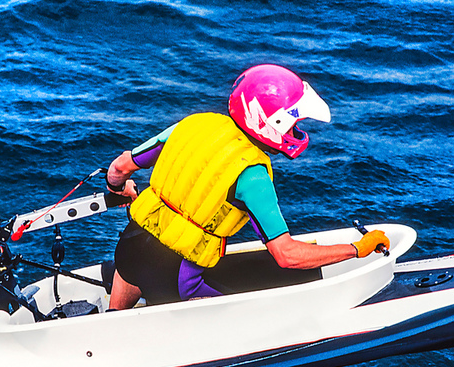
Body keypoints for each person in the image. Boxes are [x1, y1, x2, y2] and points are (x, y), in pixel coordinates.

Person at [105, 64, 390, 309]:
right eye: (292, 124)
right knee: (261, 314)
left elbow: (119, 168)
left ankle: (112, 320)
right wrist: (357, 249)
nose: (296, 132)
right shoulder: (252, 175)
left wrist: (120, 188)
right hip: (175, 278)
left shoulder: (192, 124)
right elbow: (286, 255)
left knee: (128, 284)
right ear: (270, 122)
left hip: (129, 249)